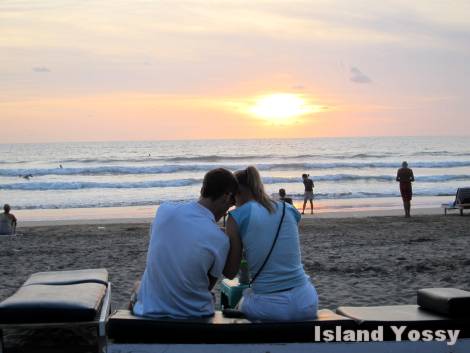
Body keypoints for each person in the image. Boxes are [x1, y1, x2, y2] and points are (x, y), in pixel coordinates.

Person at [132, 168, 238, 318]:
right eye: (232, 202)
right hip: (194, 315)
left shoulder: (164, 211)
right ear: (226, 197)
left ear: (202, 189)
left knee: (138, 286)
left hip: (150, 311)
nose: (229, 208)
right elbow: (207, 286)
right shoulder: (220, 240)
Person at [224, 166, 318, 321]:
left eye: (233, 197)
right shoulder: (288, 209)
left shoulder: (236, 216)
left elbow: (230, 272)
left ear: (238, 191)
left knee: (238, 305)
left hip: (269, 307)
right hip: (306, 301)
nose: (233, 203)